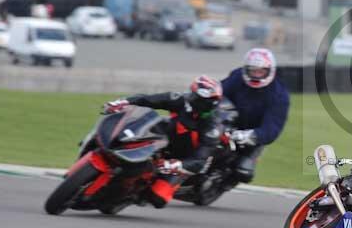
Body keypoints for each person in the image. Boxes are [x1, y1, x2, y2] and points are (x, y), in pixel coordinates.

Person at [102, 75, 224, 208]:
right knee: (133, 129)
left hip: (179, 160)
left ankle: (131, 197)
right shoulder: (180, 99)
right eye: (195, 96)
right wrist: (124, 102)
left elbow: (200, 161)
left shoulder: (212, 128)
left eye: (207, 101)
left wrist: (176, 165)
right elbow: (148, 99)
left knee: (158, 198)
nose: (194, 100)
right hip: (161, 140)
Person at [221, 48, 290, 183]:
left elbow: (271, 129)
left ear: (270, 71)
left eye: (261, 71)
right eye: (253, 70)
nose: (256, 75)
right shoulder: (237, 77)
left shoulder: (279, 95)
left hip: (252, 135)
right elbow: (219, 92)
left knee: (243, 171)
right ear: (246, 69)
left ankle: (222, 184)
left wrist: (250, 135)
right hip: (226, 122)